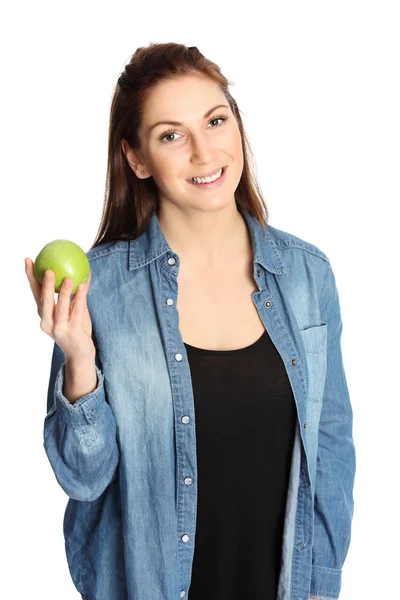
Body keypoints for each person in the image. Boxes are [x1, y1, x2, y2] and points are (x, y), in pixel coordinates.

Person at [24, 43, 356, 600]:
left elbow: (331, 451)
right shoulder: (101, 291)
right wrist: (80, 359)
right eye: (172, 135)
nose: (205, 152)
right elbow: (83, 478)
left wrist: (322, 585)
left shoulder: (307, 277)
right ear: (137, 159)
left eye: (216, 121)